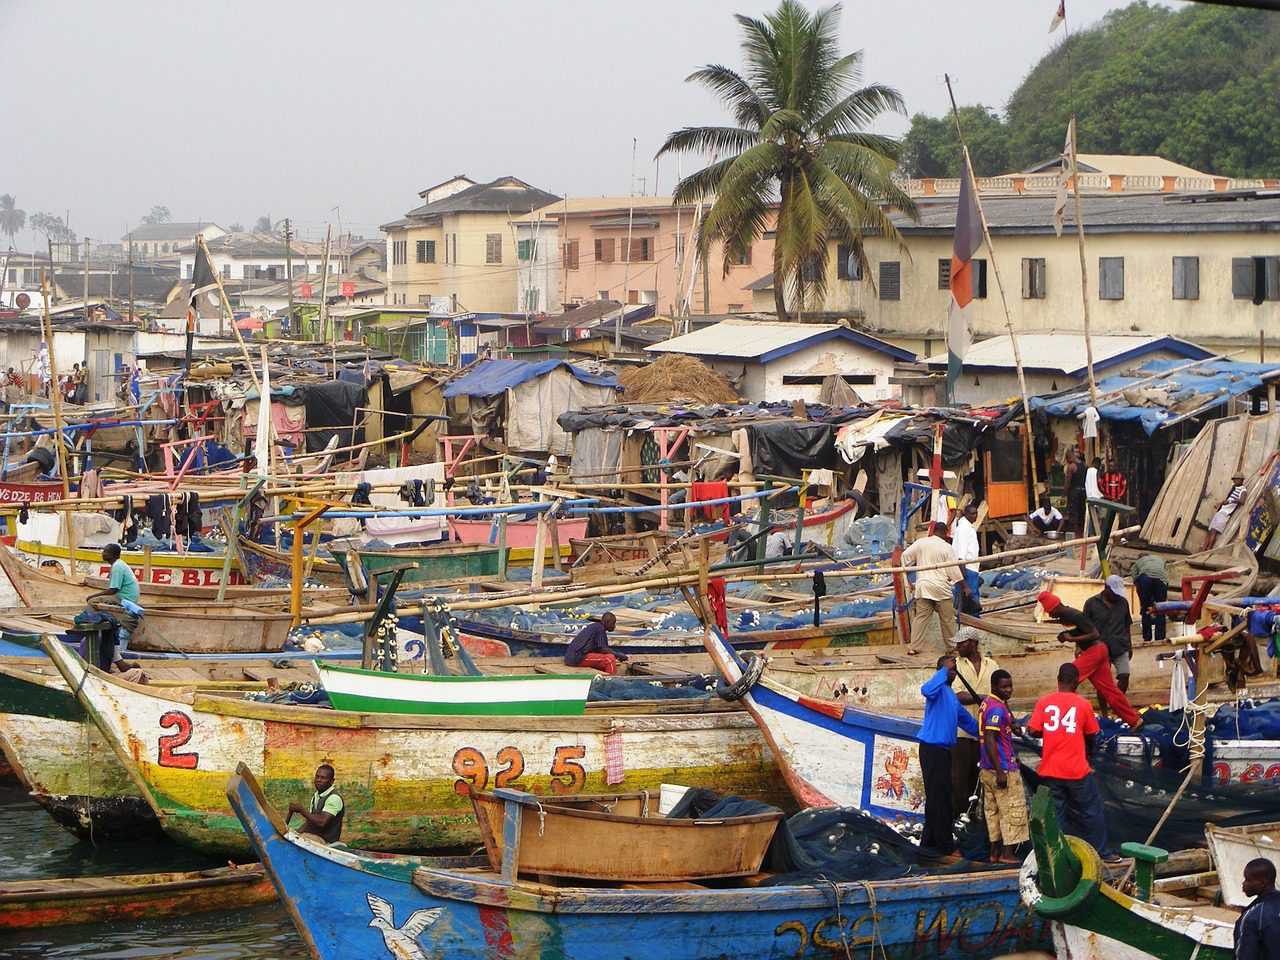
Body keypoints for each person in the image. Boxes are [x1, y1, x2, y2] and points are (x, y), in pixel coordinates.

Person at [1026, 663, 1121, 863]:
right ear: (1076, 682)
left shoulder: (1044, 702)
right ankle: (1103, 853)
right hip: (1076, 769)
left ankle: (1058, 856)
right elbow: (1091, 735)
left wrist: (1050, 733)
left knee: (1056, 815)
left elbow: (1032, 730)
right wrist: (1089, 752)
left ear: (1058, 680)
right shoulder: (1082, 704)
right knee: (1091, 811)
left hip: (1051, 770)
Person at [1039, 591, 1143, 732]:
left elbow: (1094, 634)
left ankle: (1061, 718)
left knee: (1066, 680)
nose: (1050, 616)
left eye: (1050, 612)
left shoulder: (1075, 615)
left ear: (1056, 607)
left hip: (1096, 650)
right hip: (1098, 652)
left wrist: (1071, 639)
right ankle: (1134, 720)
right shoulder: (1064, 617)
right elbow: (1078, 632)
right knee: (1110, 691)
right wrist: (1067, 636)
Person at [918, 655, 980, 856]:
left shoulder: (951, 697)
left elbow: (969, 723)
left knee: (939, 797)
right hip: (932, 749)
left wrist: (989, 730)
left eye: (954, 672)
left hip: (943, 751)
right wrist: (944, 670)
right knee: (940, 799)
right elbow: (926, 689)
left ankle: (928, 842)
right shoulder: (936, 691)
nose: (952, 674)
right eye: (949, 671)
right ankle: (945, 846)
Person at [979, 669, 1027, 863]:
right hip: (1003, 767)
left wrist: (1012, 724)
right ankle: (1007, 853)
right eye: (1004, 687)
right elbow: (990, 738)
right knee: (1011, 809)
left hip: (985, 767)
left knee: (992, 811)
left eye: (1010, 686)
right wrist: (1000, 771)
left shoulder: (987, 703)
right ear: (994, 687)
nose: (1009, 690)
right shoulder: (997, 710)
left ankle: (994, 852)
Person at [952, 626, 999, 813]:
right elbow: (957, 695)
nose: (957, 647)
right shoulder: (955, 666)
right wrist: (986, 698)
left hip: (985, 732)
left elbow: (1000, 694)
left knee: (978, 777)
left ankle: (971, 815)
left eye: (961, 643)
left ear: (972, 643)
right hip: (961, 732)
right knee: (958, 778)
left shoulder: (992, 665)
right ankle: (958, 815)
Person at [902, 523, 967, 654]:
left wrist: (906, 580)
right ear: (945, 533)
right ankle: (951, 647)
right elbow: (953, 570)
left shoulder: (921, 543)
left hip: (923, 586)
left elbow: (903, 557)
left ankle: (914, 647)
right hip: (940, 588)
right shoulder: (947, 548)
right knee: (947, 619)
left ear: (933, 530)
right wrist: (964, 586)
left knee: (921, 618)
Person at [87, 543, 142, 664]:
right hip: (124, 596)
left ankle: (89, 629)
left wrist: (93, 595)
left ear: (111, 555)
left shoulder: (117, 567)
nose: (102, 553)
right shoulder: (118, 564)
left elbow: (113, 590)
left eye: (105, 551)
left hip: (124, 598)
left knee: (92, 602)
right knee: (99, 600)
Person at [1084, 574, 1134, 695]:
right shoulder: (1091, 603)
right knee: (1103, 682)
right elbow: (1083, 626)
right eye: (1113, 593)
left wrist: (1129, 645)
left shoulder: (1123, 603)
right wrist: (1079, 647)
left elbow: (1126, 625)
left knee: (1124, 675)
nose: (1116, 596)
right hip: (1100, 647)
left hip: (1120, 645)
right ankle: (1104, 710)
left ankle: (1118, 702)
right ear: (1106, 588)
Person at [286, 764, 344, 844]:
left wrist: (301, 810)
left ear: (332, 781)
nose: (319, 780)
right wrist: (295, 833)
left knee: (297, 841)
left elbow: (321, 822)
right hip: (312, 836)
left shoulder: (334, 798)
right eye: (317, 777)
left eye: (323, 778)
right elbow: (310, 821)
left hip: (325, 841)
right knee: (291, 838)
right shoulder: (316, 796)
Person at [1235, 857, 1280, 960]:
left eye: (1248, 880)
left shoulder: (1252, 918)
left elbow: (1244, 955)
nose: (1243, 884)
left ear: (1262, 883)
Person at [951, 502, 981, 618]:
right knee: (970, 597)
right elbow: (961, 553)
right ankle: (973, 620)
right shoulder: (964, 528)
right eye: (972, 514)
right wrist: (963, 573)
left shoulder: (968, 527)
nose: (975, 516)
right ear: (966, 514)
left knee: (967, 597)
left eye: (976, 513)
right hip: (967, 568)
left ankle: (967, 618)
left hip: (971, 567)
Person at [1205, 473, 1248, 550]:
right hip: (1221, 511)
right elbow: (1228, 500)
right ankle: (1204, 548)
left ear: (1241, 480)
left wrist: (1230, 501)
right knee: (1210, 531)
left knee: (1214, 531)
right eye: (1234, 479)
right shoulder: (1234, 488)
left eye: (1237, 479)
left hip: (1226, 513)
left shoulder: (1243, 490)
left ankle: (1209, 548)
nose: (1235, 481)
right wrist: (1221, 503)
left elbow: (1242, 501)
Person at [1132, 553, 1169, 643]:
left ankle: (1147, 637)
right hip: (1161, 579)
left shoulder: (1137, 563)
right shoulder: (1159, 559)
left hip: (1145, 579)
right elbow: (1166, 576)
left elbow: (1136, 580)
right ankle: (1160, 637)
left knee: (1145, 609)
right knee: (1161, 609)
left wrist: (1143, 601)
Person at [1064, 449, 1086, 536]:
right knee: (1081, 512)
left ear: (1069, 458)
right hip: (1083, 491)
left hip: (1074, 492)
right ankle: (1081, 534)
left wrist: (1065, 492)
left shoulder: (1071, 467)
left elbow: (1068, 481)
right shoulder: (1084, 465)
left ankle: (1075, 534)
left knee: (1074, 513)